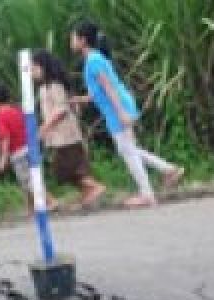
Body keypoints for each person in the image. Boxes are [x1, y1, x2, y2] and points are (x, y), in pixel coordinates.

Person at [71, 22, 184, 209]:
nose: (71, 41)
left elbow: (108, 87)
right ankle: (169, 170)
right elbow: (96, 92)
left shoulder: (93, 61)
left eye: (73, 37)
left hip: (118, 108)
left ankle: (147, 194)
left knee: (128, 151)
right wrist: (80, 100)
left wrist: (121, 112)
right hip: (118, 107)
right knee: (129, 149)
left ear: (82, 40)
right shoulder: (94, 59)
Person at [32, 50, 106, 208]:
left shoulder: (55, 86)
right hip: (57, 137)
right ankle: (87, 192)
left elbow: (61, 110)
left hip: (66, 135)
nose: (32, 72)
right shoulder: (43, 88)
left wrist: (44, 127)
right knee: (63, 170)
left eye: (34, 68)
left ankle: (94, 187)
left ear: (43, 67)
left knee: (70, 168)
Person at [0, 84, 56, 215]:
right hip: (30, 147)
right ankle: (30, 207)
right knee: (28, 179)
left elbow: (5, 138)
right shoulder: (17, 111)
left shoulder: (0, 116)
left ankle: (50, 201)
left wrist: (3, 159)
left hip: (18, 152)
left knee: (28, 180)